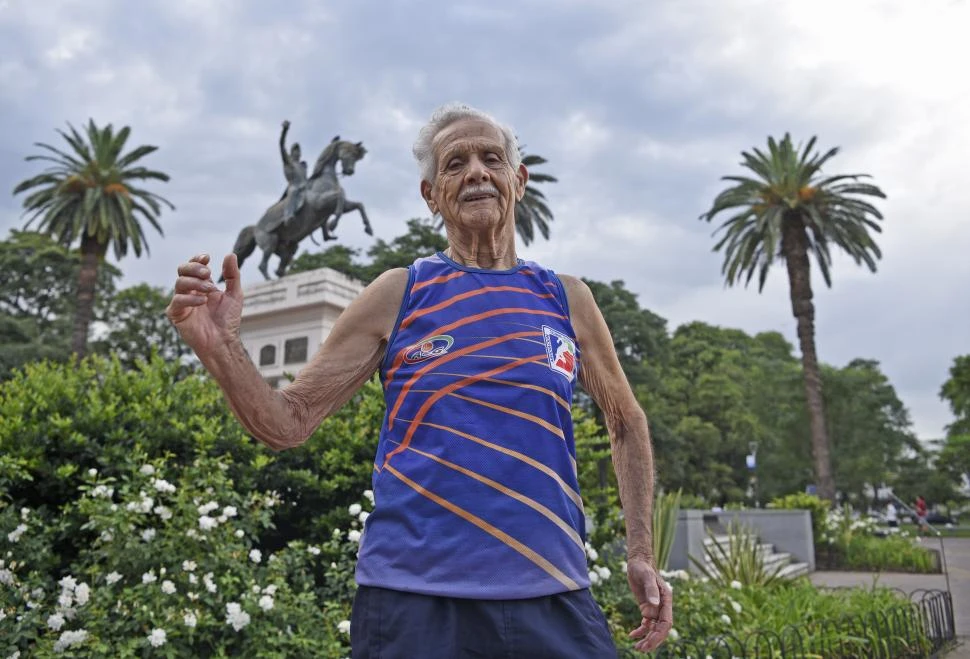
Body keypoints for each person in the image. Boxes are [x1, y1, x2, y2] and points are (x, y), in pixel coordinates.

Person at [166, 102, 671, 657]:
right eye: (455, 163)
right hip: (412, 604)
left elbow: (626, 423)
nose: (476, 171)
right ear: (432, 196)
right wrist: (222, 349)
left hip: (553, 591)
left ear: (518, 181)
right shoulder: (398, 293)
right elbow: (290, 422)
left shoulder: (566, 297)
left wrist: (641, 552)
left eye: (492, 158)